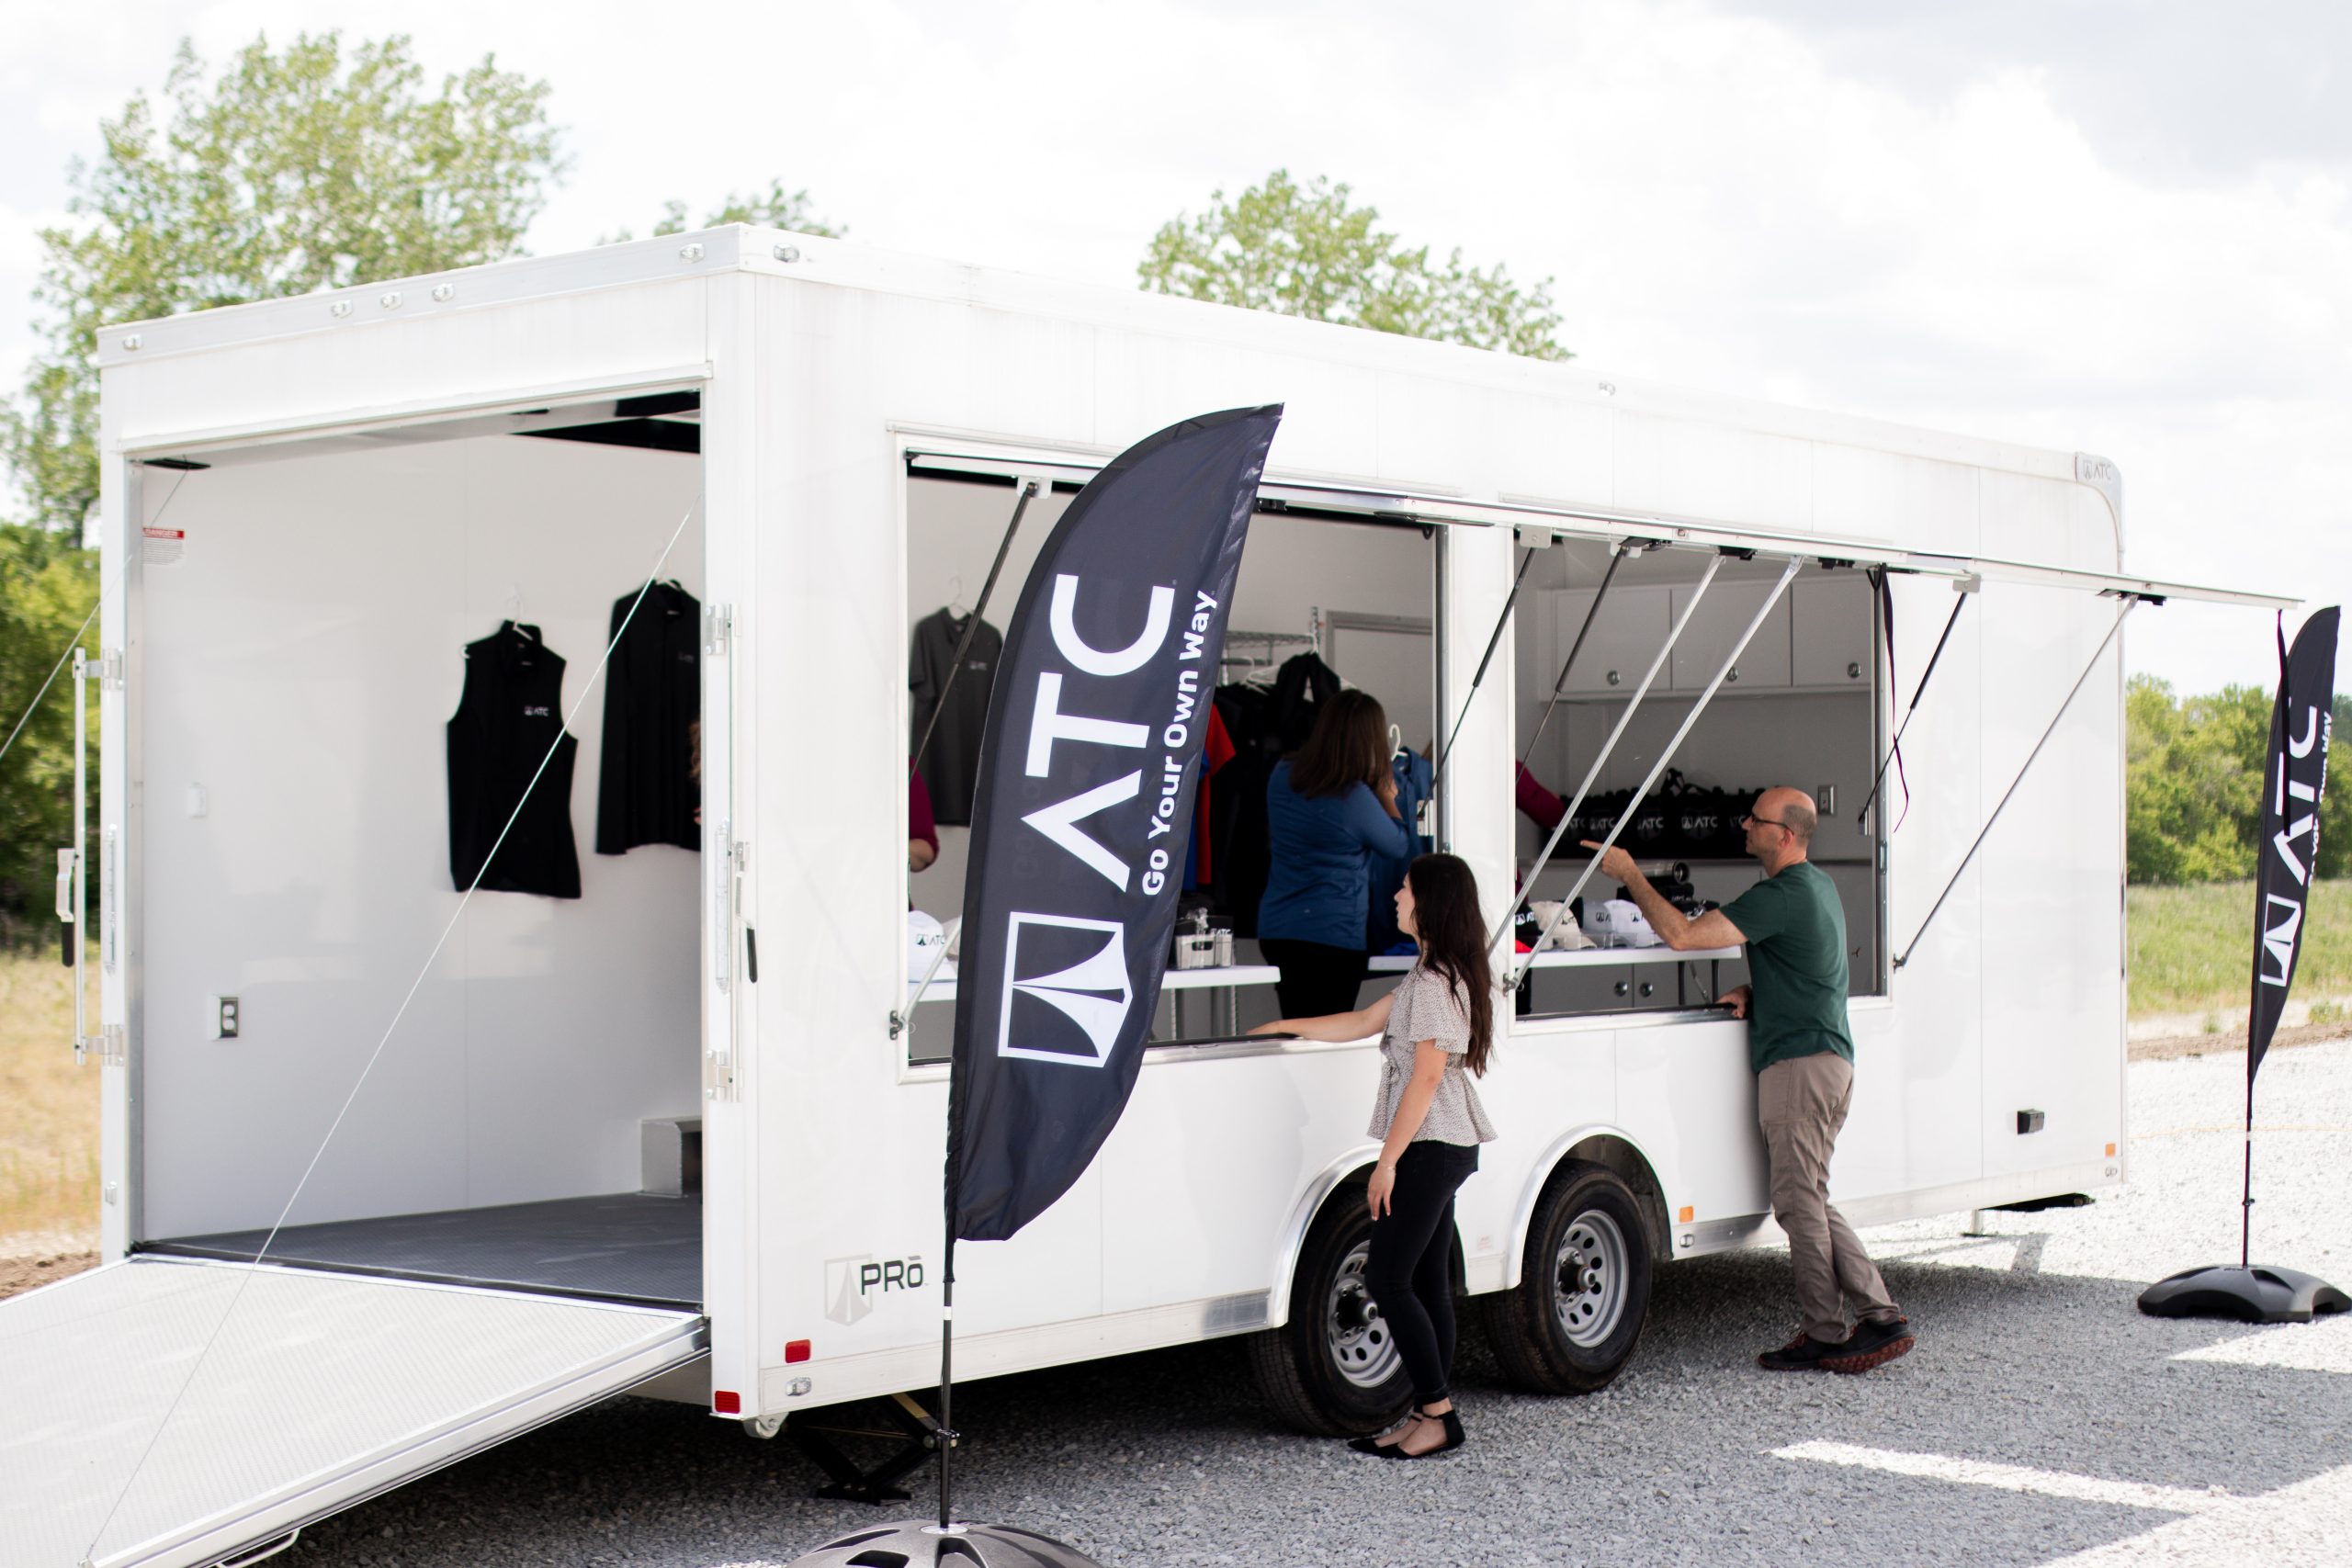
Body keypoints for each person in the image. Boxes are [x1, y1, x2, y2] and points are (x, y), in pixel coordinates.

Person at [1582, 787, 1915, 1375]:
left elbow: (1682, 936)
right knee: (1809, 1197)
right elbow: (1812, 975)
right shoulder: (1819, 889)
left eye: (1755, 821)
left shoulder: (1780, 896)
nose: (1744, 826)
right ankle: (1878, 1316)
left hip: (1797, 1067)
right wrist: (1758, 992)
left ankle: (1829, 1332)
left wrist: (1631, 873)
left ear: (1784, 836)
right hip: (1830, 1062)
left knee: (1795, 1203)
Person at [1253, 852, 1498, 1456]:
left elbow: (1425, 1078)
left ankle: (1437, 1414)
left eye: (1405, 889)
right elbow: (1362, 1019)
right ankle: (1428, 1411)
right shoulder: (1427, 975)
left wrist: (1386, 1161)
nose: (1395, 896)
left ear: (1431, 902)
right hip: (1439, 1144)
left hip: (1430, 1146)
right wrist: (1285, 1025)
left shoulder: (1438, 984)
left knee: (1389, 1276)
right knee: (1425, 1280)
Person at [1257, 690, 1414, 1018]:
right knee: (1327, 1040)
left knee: (1296, 1029)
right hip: (1332, 934)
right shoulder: (1353, 796)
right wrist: (1387, 797)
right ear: (1370, 739)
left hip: (1278, 928)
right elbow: (1397, 845)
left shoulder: (1282, 775)